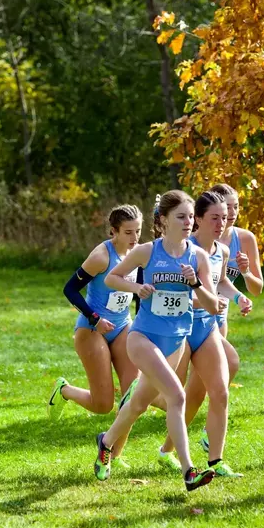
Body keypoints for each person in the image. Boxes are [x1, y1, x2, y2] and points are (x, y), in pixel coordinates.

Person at [92, 190, 221, 492]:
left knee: (138, 403)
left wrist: (195, 283)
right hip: (142, 337)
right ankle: (189, 471)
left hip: (175, 341)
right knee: (177, 396)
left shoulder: (197, 257)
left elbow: (213, 305)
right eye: (181, 216)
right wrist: (137, 288)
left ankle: (106, 442)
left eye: (191, 216)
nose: (188, 222)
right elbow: (112, 278)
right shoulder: (147, 252)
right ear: (163, 220)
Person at [157, 191, 252, 478]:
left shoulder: (221, 252)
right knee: (176, 396)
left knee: (220, 391)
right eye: (214, 218)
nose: (221, 223)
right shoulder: (185, 248)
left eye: (224, 218)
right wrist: (204, 301)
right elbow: (173, 291)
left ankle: (216, 460)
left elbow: (220, 281)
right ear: (197, 219)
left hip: (207, 328)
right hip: (180, 328)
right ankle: (147, 438)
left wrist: (238, 299)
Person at [48, 205, 142, 419]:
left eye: (138, 231)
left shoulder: (139, 254)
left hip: (122, 326)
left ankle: (115, 443)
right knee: (102, 405)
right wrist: (95, 318)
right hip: (92, 329)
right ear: (114, 231)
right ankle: (64, 390)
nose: (134, 237)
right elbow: (70, 289)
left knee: (133, 394)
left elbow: (137, 292)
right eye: (128, 232)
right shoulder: (101, 256)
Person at [209, 184, 264, 335]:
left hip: (220, 311)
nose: (233, 213)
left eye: (236, 206)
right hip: (193, 308)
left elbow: (257, 290)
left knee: (225, 358)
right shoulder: (196, 238)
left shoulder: (245, 239)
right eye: (228, 207)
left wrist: (246, 273)